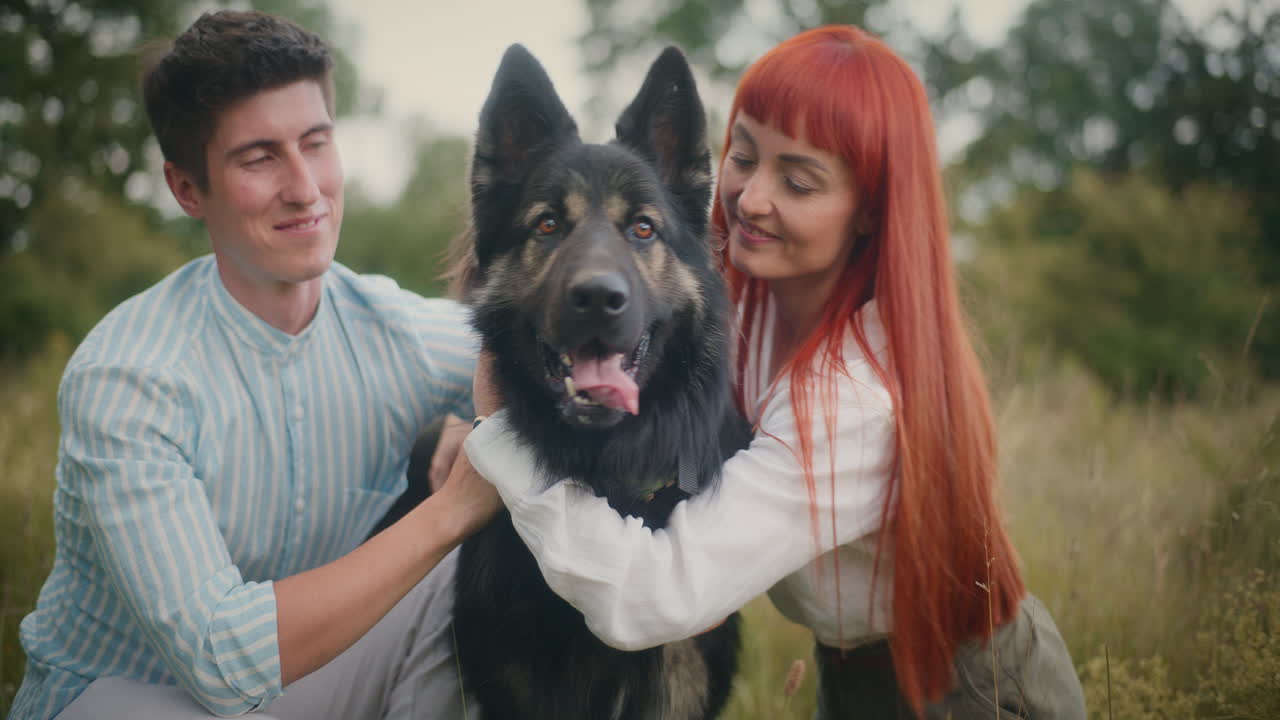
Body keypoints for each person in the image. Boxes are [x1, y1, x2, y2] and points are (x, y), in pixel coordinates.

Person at [461, 25, 1088, 719]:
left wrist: (496, 435)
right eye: (745, 156)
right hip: (845, 671)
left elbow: (652, 602)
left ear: (870, 208)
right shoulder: (741, 298)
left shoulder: (856, 402)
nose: (752, 200)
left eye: (797, 180)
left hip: (974, 690)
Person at [10, 10, 499, 720]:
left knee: (477, 562)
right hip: (127, 698)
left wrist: (489, 417)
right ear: (186, 189)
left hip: (303, 689)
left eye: (316, 143)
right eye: (260, 157)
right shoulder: (128, 380)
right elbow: (219, 659)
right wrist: (454, 505)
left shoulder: (396, 333)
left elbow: (540, 362)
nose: (305, 188)